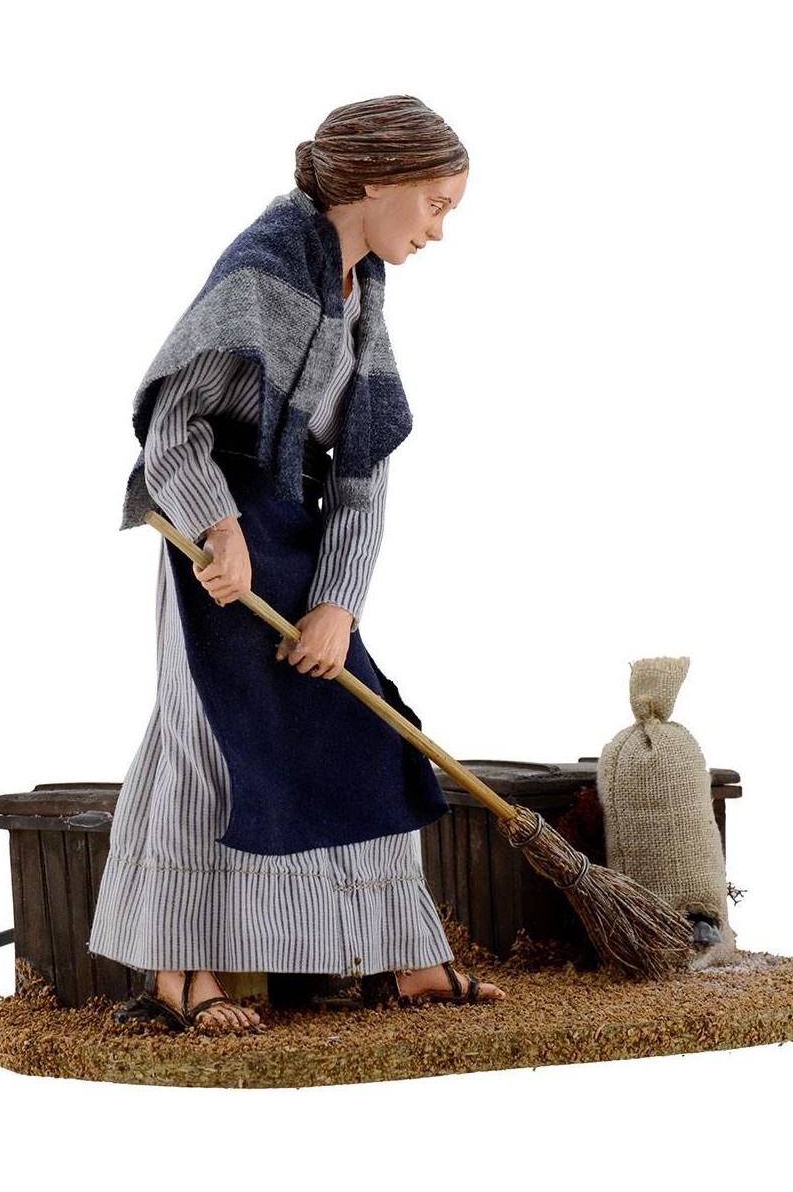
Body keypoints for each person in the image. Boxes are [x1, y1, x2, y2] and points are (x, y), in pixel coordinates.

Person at [88, 95, 506, 1033]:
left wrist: (338, 605)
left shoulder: (360, 293)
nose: (439, 230)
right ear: (377, 181)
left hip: (298, 543)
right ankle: (179, 974)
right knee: (212, 745)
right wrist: (220, 528)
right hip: (215, 549)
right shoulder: (268, 270)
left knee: (364, 727)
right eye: (435, 205)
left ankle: (404, 960)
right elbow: (172, 426)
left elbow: (363, 469)